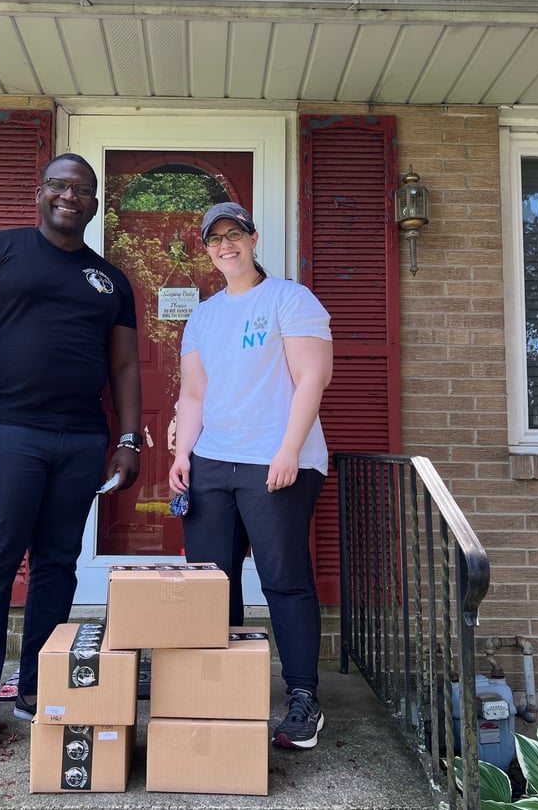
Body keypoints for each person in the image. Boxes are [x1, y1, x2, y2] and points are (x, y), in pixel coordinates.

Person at [0, 153, 142, 766]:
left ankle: (37, 686)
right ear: (40, 192)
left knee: (57, 565)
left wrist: (129, 439)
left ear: (95, 203)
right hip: (6, 434)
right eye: (59, 185)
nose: (69, 196)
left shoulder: (110, 280)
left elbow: (124, 365)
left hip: (79, 439)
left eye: (82, 189)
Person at [168, 202, 332, 750]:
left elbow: (312, 378)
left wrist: (289, 450)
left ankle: (303, 697)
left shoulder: (290, 299)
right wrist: (183, 455)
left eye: (234, 233)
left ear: (253, 238)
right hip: (213, 462)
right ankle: (224, 687)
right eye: (215, 238)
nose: (225, 245)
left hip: (276, 461)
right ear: (207, 249)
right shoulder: (202, 316)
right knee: (212, 584)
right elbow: (194, 394)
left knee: (283, 579)